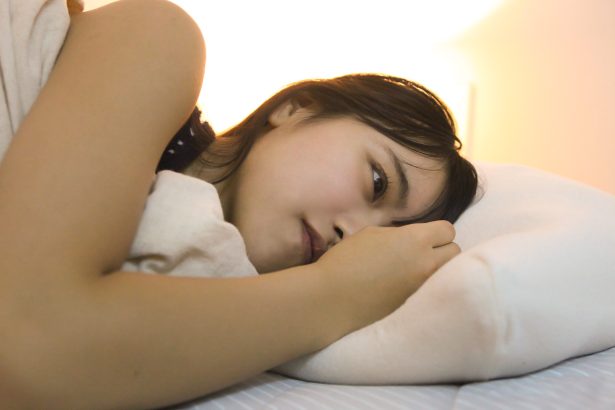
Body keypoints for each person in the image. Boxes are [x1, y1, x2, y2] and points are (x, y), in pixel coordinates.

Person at [0, 0, 476, 408]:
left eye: (382, 242)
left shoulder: (226, 297)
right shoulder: (159, 40)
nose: (353, 240)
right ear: (297, 107)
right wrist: (338, 292)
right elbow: (26, 342)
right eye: (376, 181)